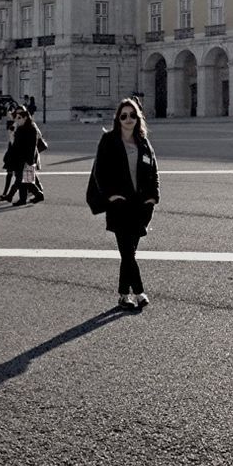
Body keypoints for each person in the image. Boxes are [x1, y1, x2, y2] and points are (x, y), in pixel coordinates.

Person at [90, 98, 160, 310]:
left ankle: (123, 294)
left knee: (130, 253)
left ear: (138, 118)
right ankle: (138, 291)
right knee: (127, 252)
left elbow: (154, 171)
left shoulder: (143, 141)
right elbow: (99, 172)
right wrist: (110, 195)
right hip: (120, 205)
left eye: (132, 115)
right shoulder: (109, 140)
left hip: (141, 206)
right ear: (118, 119)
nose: (128, 119)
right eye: (124, 116)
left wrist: (153, 197)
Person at [8, 105, 44, 205]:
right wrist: (12, 135)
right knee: (24, 181)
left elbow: (32, 147)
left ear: (25, 117)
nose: (17, 120)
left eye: (19, 118)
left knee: (24, 180)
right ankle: (36, 196)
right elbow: (14, 144)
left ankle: (30, 197)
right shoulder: (19, 129)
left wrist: (30, 161)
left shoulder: (32, 129)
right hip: (19, 158)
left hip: (26, 159)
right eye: (16, 117)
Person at [0, 112, 18, 201]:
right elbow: (11, 141)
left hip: (19, 153)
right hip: (12, 152)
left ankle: (35, 190)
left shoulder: (24, 126)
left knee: (20, 176)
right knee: (10, 174)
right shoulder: (13, 126)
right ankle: (6, 193)